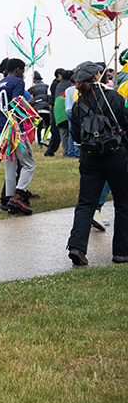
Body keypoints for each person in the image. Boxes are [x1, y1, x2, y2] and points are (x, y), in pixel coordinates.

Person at [66, 61, 128, 266]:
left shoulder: (78, 104)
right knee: (123, 202)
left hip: (90, 157)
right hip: (115, 155)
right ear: (96, 76)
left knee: (85, 203)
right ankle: (121, 252)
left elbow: (76, 135)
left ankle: (76, 247)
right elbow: (124, 122)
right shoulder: (113, 97)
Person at [0, 58, 35, 214]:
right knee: (29, 164)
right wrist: (30, 103)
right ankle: (18, 196)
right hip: (15, 129)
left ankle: (7, 202)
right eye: (22, 71)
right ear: (17, 69)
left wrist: (3, 112)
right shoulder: (18, 82)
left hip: (1, 129)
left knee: (10, 166)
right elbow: (16, 103)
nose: (23, 74)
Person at [45, 68, 69, 156]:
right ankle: (50, 151)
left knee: (56, 132)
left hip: (54, 108)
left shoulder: (55, 84)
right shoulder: (57, 84)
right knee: (56, 132)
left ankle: (50, 151)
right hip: (56, 109)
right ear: (59, 75)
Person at [31, 71, 50, 145]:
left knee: (39, 126)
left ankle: (39, 143)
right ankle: (44, 138)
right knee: (48, 124)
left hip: (38, 108)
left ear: (34, 79)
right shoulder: (46, 86)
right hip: (46, 108)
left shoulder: (33, 87)